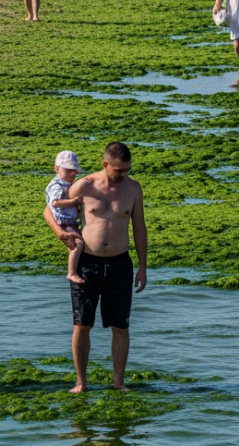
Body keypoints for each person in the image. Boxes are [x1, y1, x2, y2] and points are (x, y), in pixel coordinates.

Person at [65, 142, 147, 393]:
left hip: (119, 263)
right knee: (82, 325)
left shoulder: (133, 188)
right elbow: (52, 210)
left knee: (121, 326)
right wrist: (60, 233)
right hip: (87, 262)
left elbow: (139, 227)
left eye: (127, 170)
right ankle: (81, 382)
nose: (124, 175)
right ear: (105, 164)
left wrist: (143, 267)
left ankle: (118, 382)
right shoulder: (84, 186)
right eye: (119, 170)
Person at [43, 150, 87, 285]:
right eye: (68, 171)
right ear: (57, 169)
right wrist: (74, 202)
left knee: (74, 246)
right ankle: (71, 273)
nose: (72, 174)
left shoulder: (66, 183)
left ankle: (74, 268)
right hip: (64, 222)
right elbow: (55, 203)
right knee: (77, 245)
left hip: (70, 221)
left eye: (74, 171)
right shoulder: (57, 185)